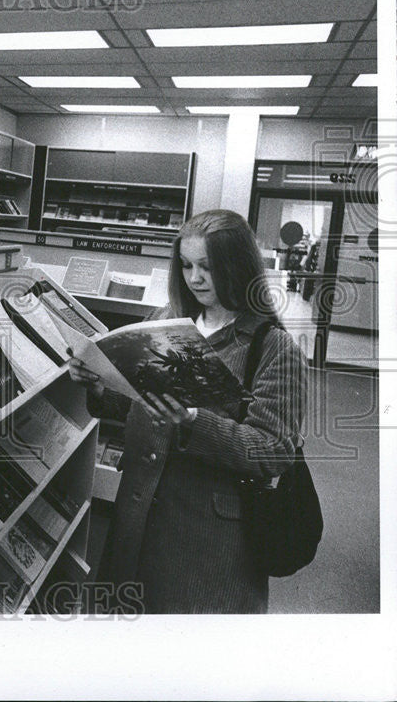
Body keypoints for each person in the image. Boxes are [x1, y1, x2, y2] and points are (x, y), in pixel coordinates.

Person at [68, 209, 307, 613]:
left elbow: (273, 449)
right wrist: (99, 384)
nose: (194, 278)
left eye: (207, 268)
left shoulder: (272, 347)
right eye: (186, 265)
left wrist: (195, 422)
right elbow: (138, 401)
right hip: (137, 519)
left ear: (238, 268)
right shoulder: (167, 321)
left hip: (208, 541)